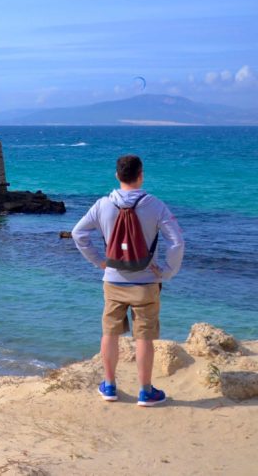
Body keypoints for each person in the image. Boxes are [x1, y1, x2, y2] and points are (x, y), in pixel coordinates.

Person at [72, 154, 185, 407]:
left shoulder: (102, 205)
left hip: (113, 280)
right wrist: (167, 271)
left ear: (117, 176)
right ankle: (146, 392)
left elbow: (78, 233)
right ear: (141, 175)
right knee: (144, 336)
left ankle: (110, 386)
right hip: (146, 282)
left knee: (110, 332)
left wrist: (99, 261)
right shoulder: (155, 205)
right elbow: (176, 241)